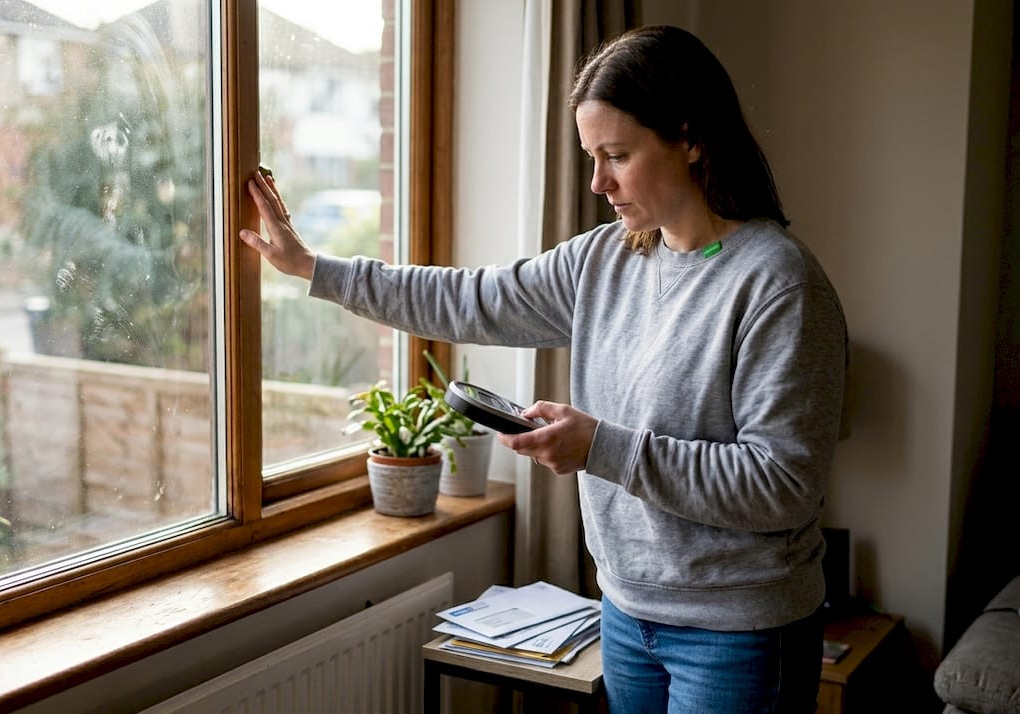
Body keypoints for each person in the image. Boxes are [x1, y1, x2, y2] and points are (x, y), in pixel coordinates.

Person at [240, 24, 847, 714]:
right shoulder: (607, 259)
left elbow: (782, 486)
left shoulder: (779, 285)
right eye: (592, 156)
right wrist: (315, 269)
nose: (597, 182)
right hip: (624, 608)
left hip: (740, 631)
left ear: (691, 137)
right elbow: (469, 299)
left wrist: (600, 448)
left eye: (617, 155)